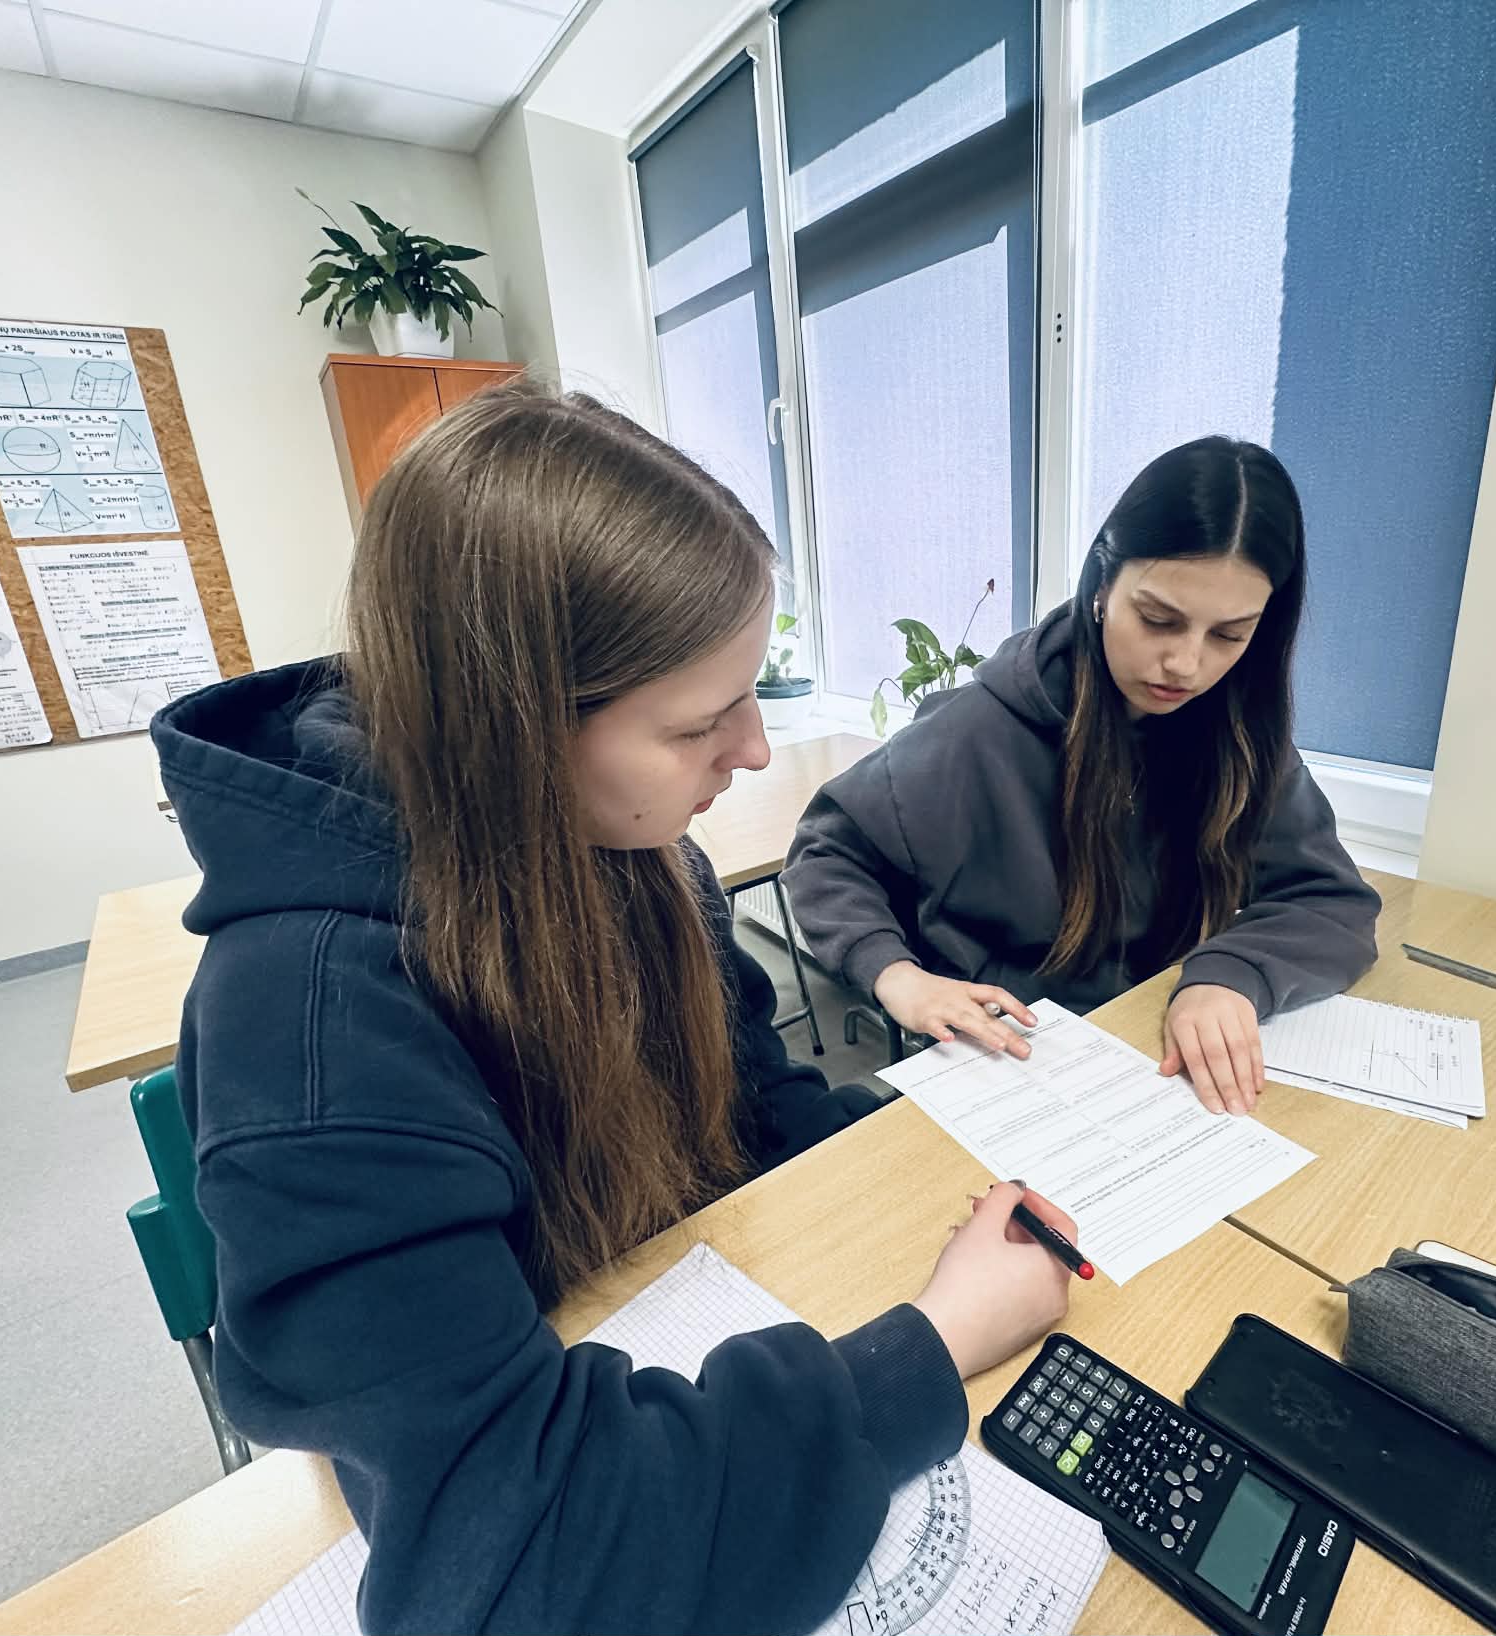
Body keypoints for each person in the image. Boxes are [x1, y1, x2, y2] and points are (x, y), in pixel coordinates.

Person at [150, 382, 1077, 1635]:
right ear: (516, 730)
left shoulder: (633, 853)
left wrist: (921, 1154)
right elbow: (521, 1567)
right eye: (698, 722)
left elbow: (750, 1102)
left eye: (750, 693)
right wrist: (933, 1341)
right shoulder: (313, 1033)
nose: (752, 751)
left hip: (661, 1326)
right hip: (541, 1437)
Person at [784, 436, 1380, 1116]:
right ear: (1101, 587)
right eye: (1158, 619)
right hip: (1016, 1067)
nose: (1186, 664)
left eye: (1229, 635)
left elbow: (1332, 902)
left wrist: (1229, 977)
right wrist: (898, 977)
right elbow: (826, 853)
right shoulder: (975, 732)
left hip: (1155, 1055)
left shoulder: (1239, 735)